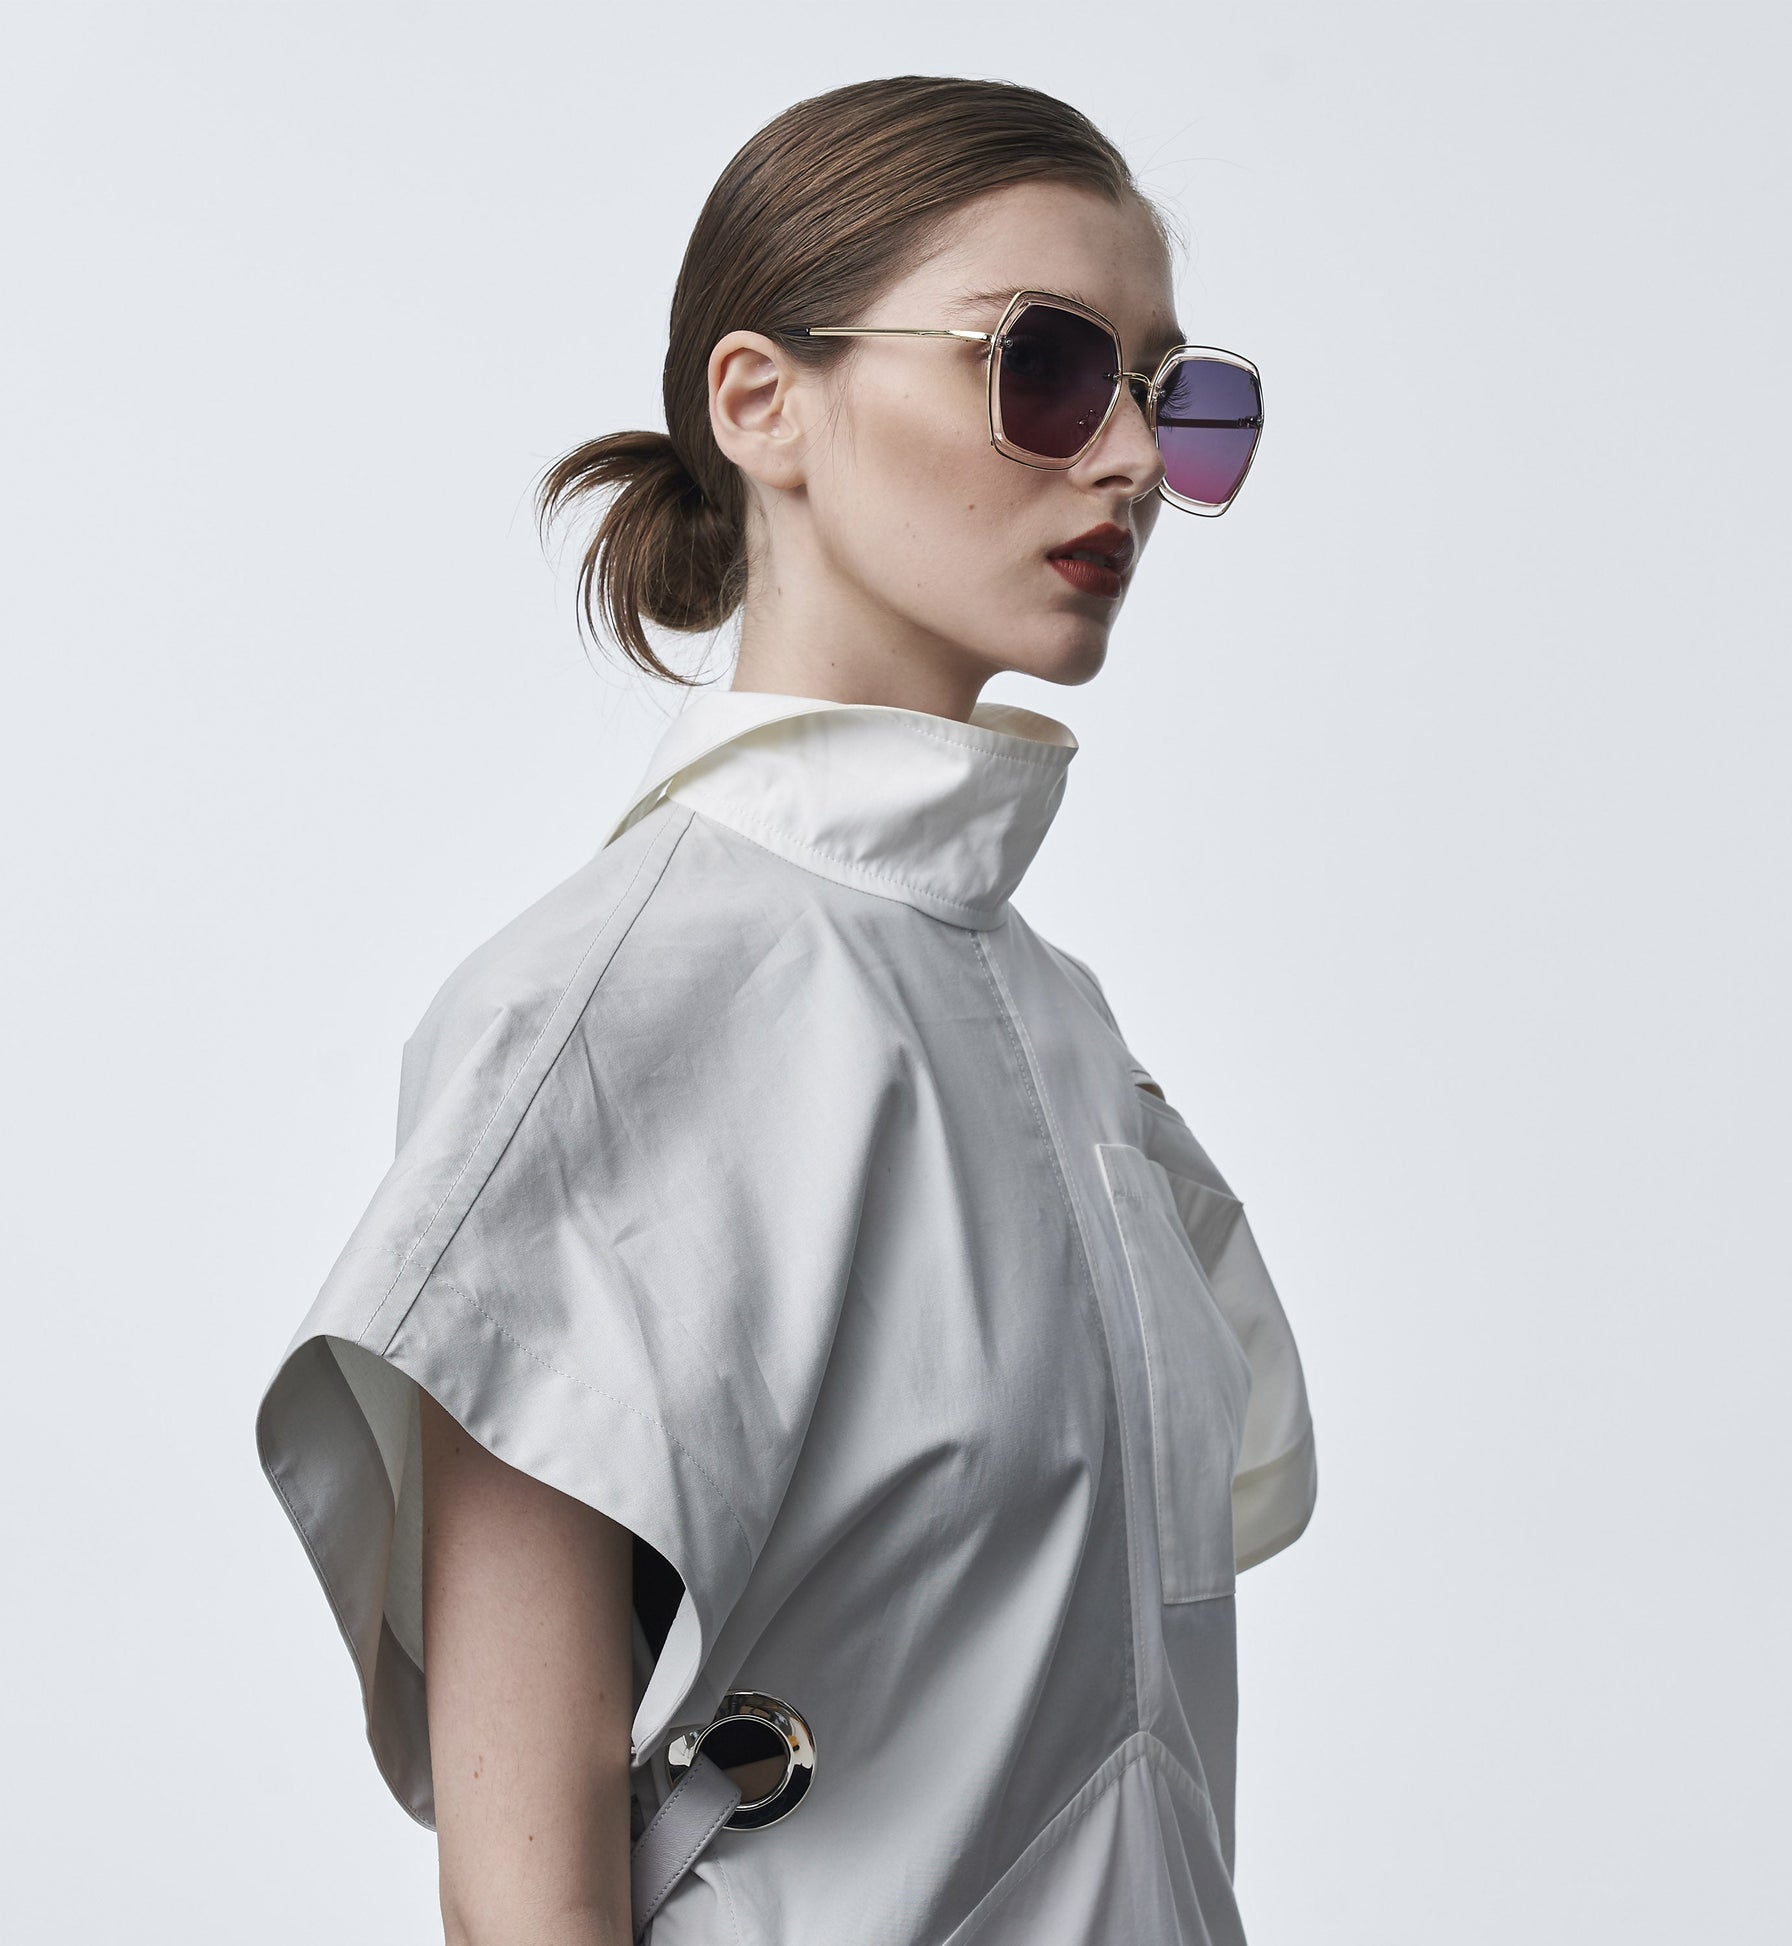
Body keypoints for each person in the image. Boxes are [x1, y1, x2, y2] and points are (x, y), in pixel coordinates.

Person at [254, 72, 1318, 1946]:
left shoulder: (1062, 1028)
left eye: (1172, 394)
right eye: (1047, 365)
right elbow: (521, 1901)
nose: (1135, 459)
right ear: (761, 402)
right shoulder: (605, 1018)